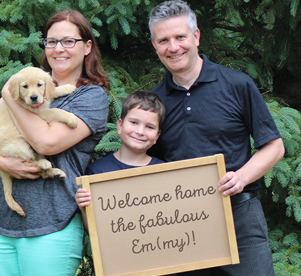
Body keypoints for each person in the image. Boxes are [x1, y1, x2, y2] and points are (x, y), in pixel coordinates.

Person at [147, 1, 285, 276]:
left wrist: (242, 177)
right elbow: (145, 164)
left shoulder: (237, 84)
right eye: (163, 40)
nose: (173, 47)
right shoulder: (153, 102)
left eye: (180, 37)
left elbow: (274, 146)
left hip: (240, 216)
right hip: (180, 223)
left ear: (196, 36)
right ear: (154, 45)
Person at [0, 10, 109, 276]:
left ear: (87, 47)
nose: (58, 49)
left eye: (68, 41)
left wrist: (9, 93)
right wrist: (2, 161)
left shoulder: (91, 97)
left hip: (52, 223)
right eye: (51, 41)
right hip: (2, 221)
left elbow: (46, 143)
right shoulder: (27, 84)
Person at [75, 91, 166, 232]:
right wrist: (83, 207)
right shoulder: (97, 172)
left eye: (149, 127)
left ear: (157, 136)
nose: (140, 131)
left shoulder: (166, 172)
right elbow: (94, 231)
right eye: (134, 122)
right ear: (119, 126)